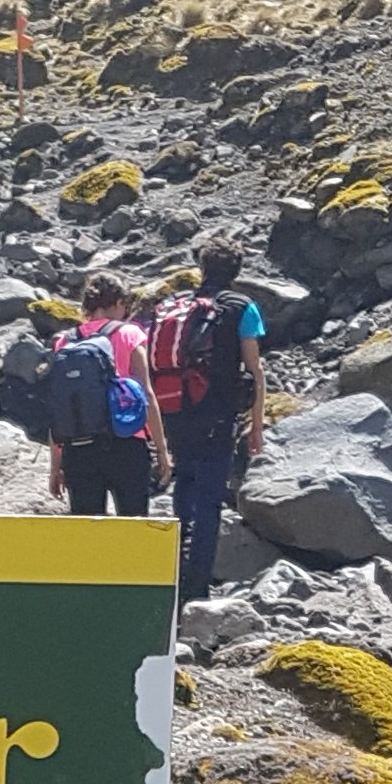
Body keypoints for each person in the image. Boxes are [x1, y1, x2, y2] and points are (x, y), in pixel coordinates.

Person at [154, 241, 269, 592]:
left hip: (176, 410)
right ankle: (196, 585)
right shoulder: (242, 307)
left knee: (184, 487)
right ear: (236, 272)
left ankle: (173, 574)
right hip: (216, 414)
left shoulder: (181, 306)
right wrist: (256, 425)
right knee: (208, 501)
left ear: (202, 270)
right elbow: (255, 370)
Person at [44, 272, 161, 518]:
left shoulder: (65, 341)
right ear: (118, 302)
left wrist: (56, 467)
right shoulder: (130, 334)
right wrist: (161, 450)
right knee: (134, 527)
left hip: (79, 449)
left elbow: (60, 405)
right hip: (126, 444)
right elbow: (147, 395)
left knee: (88, 533)